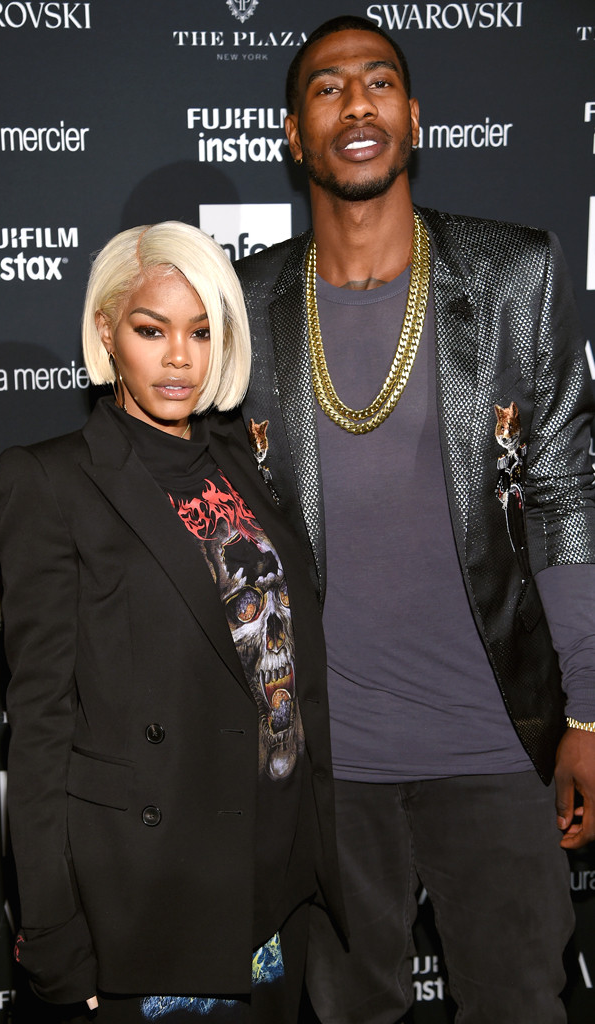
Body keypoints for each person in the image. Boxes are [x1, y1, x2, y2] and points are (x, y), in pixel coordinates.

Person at [235, 15, 595, 1024]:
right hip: (326, 766)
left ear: (414, 117)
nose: (357, 102)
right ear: (293, 138)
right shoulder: (246, 303)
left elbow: (566, 488)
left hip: (495, 746)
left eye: (380, 81)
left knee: (522, 1004)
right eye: (327, 87)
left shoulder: (515, 273)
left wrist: (588, 713)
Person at [0, 221, 344, 1023]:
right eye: (152, 331)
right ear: (108, 334)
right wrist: (48, 929)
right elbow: (40, 723)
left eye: (200, 332)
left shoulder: (238, 459)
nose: (180, 357)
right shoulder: (51, 481)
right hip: (154, 893)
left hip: (274, 887)